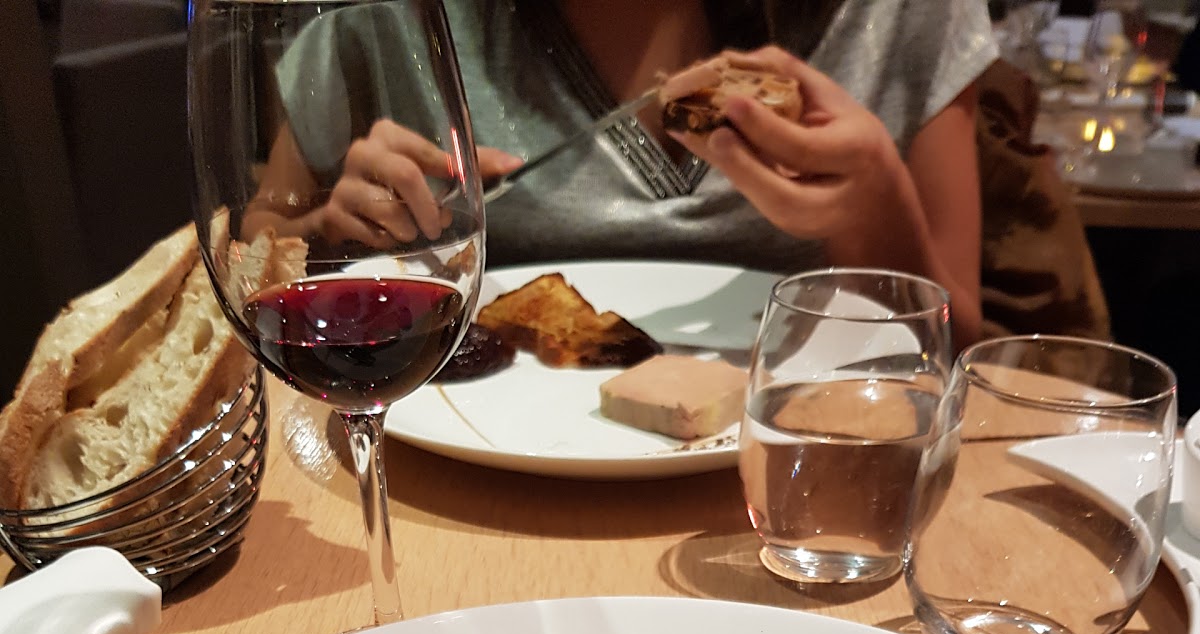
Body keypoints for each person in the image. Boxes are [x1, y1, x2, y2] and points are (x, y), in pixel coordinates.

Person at [248, 0, 998, 346]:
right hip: (444, 491)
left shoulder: (904, 15)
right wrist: (334, 234)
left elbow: (958, 345)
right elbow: (255, 247)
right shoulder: (378, 19)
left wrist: (876, 212)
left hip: (812, 488)